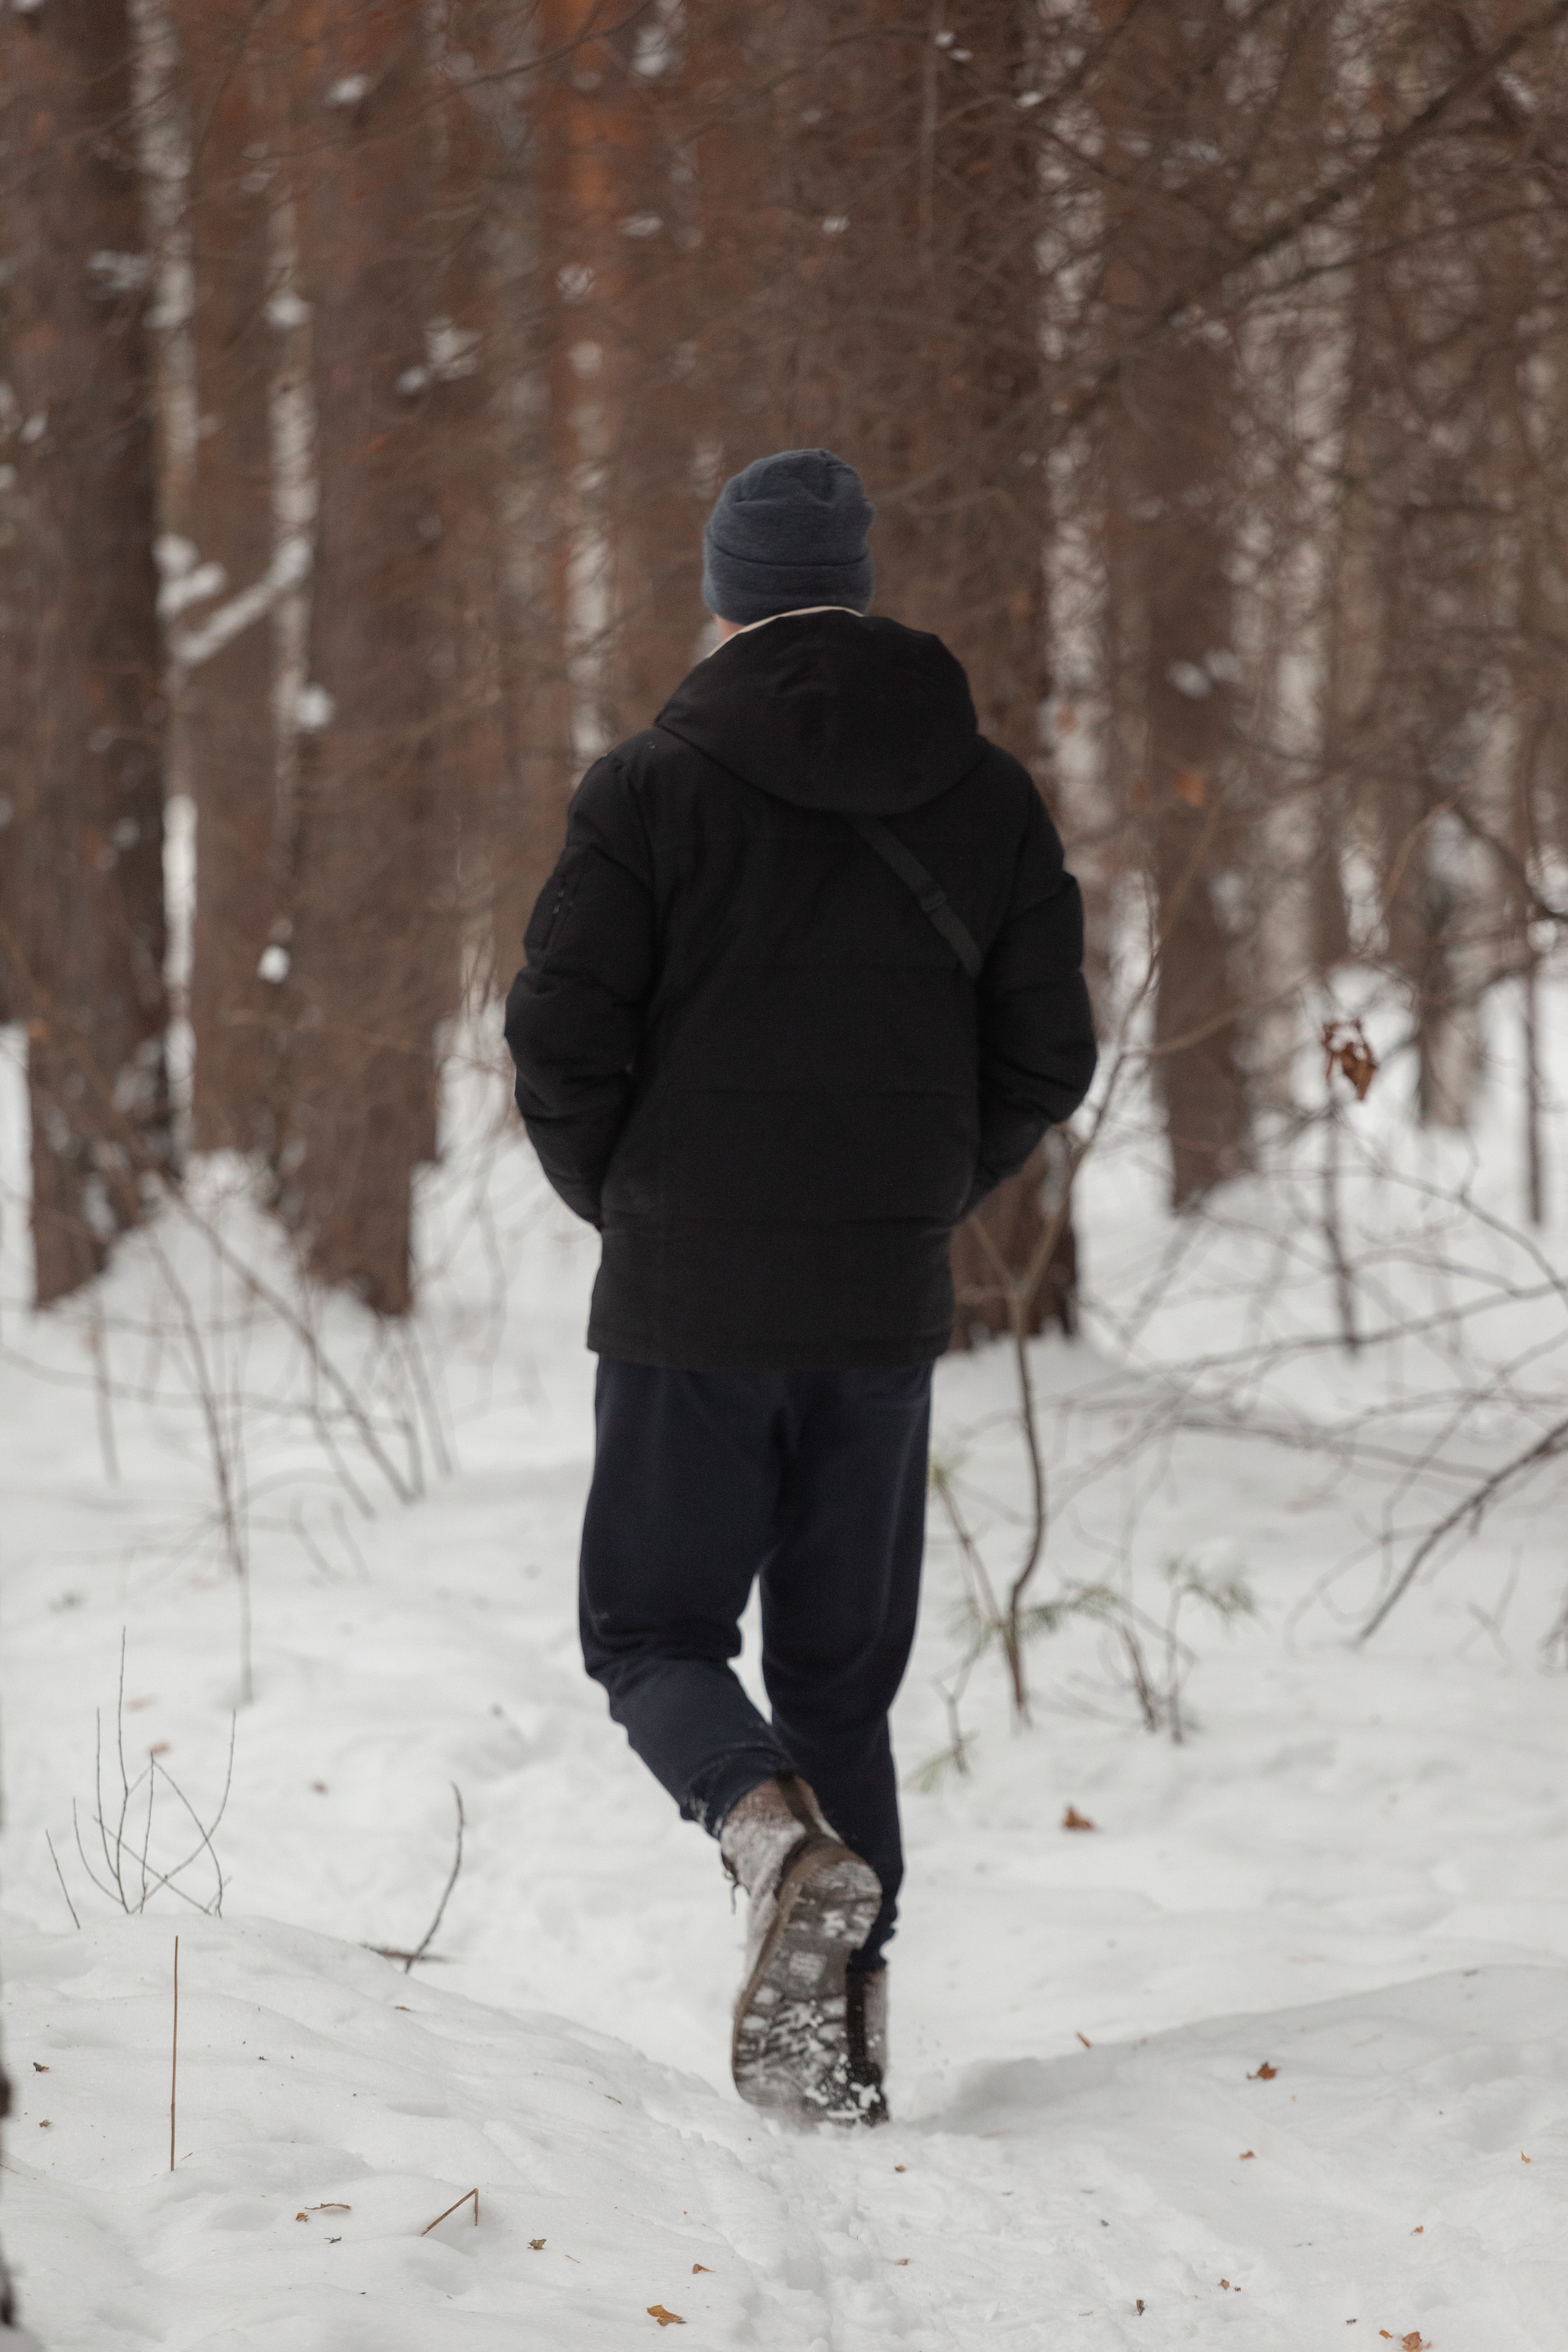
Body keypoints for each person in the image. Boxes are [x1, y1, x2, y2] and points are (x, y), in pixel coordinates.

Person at [505, 448, 1096, 2125]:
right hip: (880, 1298)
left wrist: (627, 1206)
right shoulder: (986, 795)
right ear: (860, 580)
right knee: (840, 1678)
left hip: (691, 1298)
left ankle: (768, 1840)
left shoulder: (647, 789)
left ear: (724, 596)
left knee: (651, 1631)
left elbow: (558, 1035)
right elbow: (1048, 1052)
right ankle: (835, 2054)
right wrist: (920, 1197)